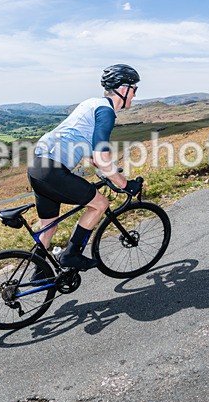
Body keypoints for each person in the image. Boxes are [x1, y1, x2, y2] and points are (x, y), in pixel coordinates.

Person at [27, 64, 142, 271]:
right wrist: (126, 184)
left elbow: (93, 157)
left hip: (37, 167)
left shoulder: (91, 104)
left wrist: (111, 173)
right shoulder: (106, 111)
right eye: (135, 89)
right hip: (53, 170)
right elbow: (100, 155)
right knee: (100, 204)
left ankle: (37, 274)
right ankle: (71, 255)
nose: (135, 95)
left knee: (48, 227)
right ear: (124, 89)